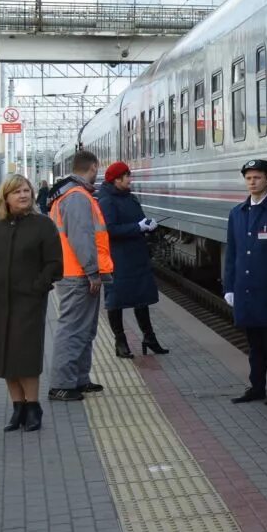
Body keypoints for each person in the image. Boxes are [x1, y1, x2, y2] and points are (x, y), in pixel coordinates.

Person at [0, 174, 63, 432]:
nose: (23, 195)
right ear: (5, 198)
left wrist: (39, 287)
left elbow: (54, 263)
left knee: (25, 354)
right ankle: (17, 408)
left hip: (29, 301)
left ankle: (33, 407)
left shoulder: (43, 225)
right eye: (17, 191)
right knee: (5, 355)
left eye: (26, 190)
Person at [223, 159, 267, 405]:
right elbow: (232, 253)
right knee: (253, 344)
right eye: (248, 178)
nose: (252, 182)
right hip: (246, 290)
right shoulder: (237, 214)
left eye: (257, 178)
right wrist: (229, 287)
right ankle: (256, 387)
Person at [48, 149, 112, 402]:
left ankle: (79, 379)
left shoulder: (76, 194)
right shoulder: (76, 198)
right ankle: (61, 385)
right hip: (78, 275)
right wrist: (92, 272)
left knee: (85, 329)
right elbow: (81, 238)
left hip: (78, 274)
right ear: (93, 167)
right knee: (73, 329)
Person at [96, 162, 166, 358]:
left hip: (137, 255)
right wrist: (138, 227)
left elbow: (138, 220)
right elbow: (109, 229)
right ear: (117, 179)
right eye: (127, 176)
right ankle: (120, 342)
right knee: (115, 301)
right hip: (118, 259)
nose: (130, 179)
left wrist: (148, 225)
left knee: (141, 298)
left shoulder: (131, 198)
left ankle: (149, 338)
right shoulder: (107, 201)